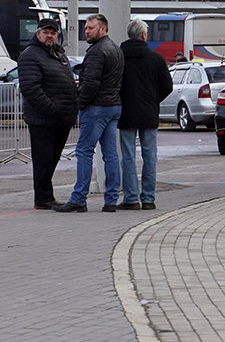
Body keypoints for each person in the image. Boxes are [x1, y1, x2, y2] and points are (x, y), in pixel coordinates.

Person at [55, 14, 124, 212]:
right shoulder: (116, 50)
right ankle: (111, 200)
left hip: (96, 107)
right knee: (110, 154)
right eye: (86, 28)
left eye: (91, 28)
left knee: (84, 151)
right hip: (113, 107)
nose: (87, 31)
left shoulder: (97, 52)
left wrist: (81, 103)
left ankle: (78, 198)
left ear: (103, 29)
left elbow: (91, 82)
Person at [17, 18, 79, 209]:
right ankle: (43, 199)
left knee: (52, 159)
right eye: (46, 32)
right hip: (43, 119)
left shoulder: (58, 54)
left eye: (53, 32)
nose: (50, 35)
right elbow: (31, 89)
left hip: (61, 119)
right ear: (38, 34)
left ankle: (46, 197)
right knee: (43, 160)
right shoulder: (30, 55)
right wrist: (53, 109)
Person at [117, 18, 173, 210]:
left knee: (128, 156)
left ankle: (131, 198)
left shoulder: (119, 57)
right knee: (150, 156)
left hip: (125, 112)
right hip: (149, 112)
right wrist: (152, 100)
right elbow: (167, 86)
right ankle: (148, 198)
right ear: (143, 35)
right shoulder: (156, 59)